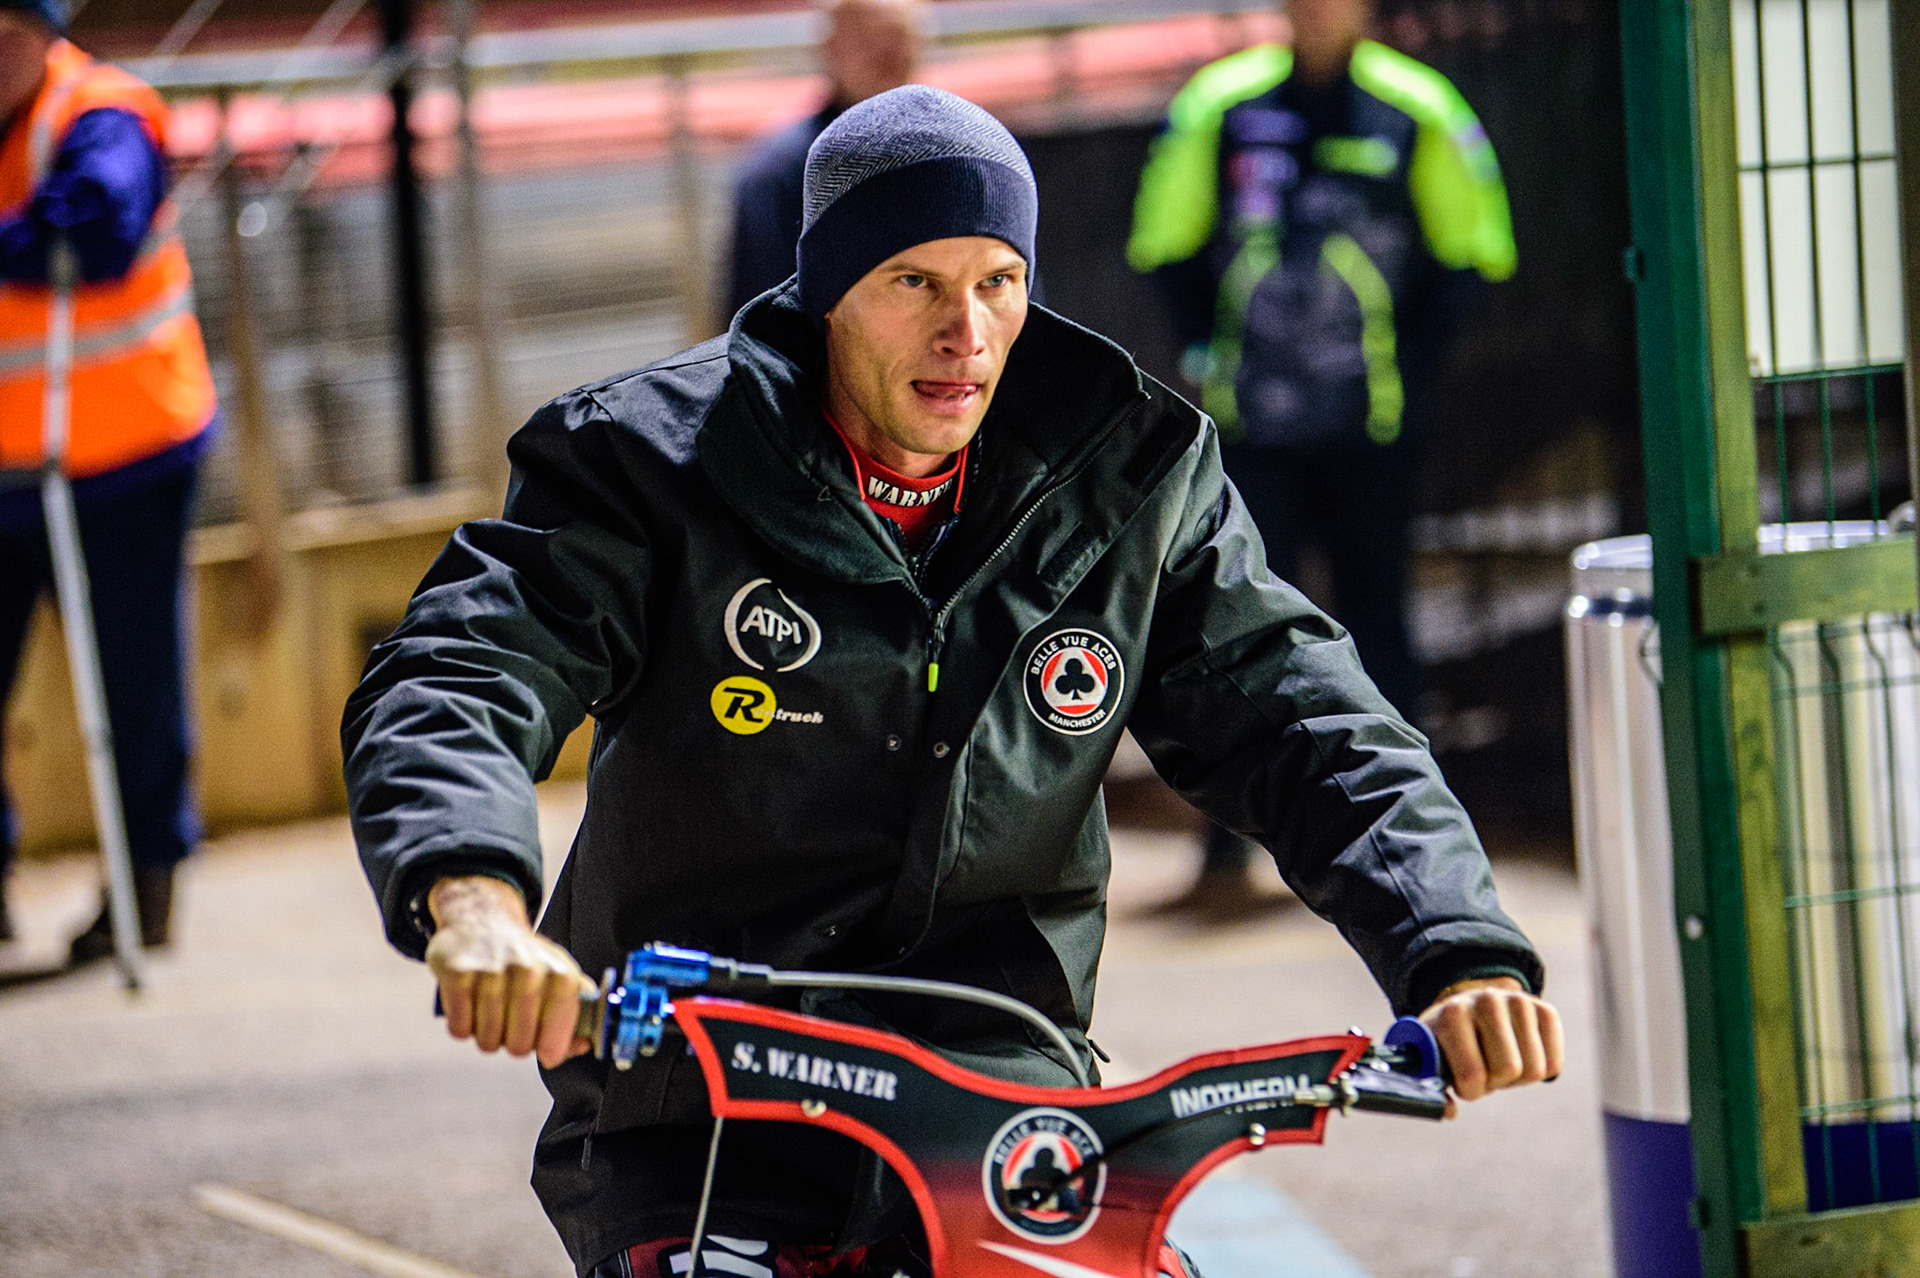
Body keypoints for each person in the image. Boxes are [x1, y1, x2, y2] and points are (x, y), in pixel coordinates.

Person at [345, 86, 1560, 1278]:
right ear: (830, 291)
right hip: (703, 1108)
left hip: (1006, 1108)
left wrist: (1457, 949)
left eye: (997, 280)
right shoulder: (647, 463)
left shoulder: (1131, 477)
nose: (964, 333)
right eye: (913, 281)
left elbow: (1302, 719)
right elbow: (465, 663)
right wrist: (474, 897)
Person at [1126, 0, 1516, 909]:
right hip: (1251, 427)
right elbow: (1164, 241)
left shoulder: (1419, 106)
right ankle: (1228, 847)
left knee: (1379, 622)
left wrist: (1408, 372)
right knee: (1231, 631)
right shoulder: (1219, 104)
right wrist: (1204, 354)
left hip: (1370, 428)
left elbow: (1472, 251)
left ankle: (1414, 844)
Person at [0, 0, 218, 959]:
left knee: (133, 683)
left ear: (44, 34)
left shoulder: (102, 113)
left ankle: (146, 881)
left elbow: (97, 234)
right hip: (11, 463)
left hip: (126, 455)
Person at [723, 0, 922, 321]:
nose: (888, 52)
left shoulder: (963, 151)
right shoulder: (780, 173)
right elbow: (756, 320)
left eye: (899, 35)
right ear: (830, 49)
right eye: (868, 37)